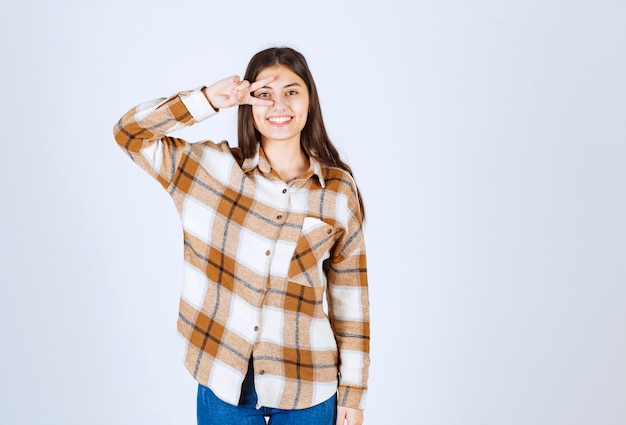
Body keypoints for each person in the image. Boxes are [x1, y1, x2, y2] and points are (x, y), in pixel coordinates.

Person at [113, 47, 370, 425]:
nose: (278, 104)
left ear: (310, 101)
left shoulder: (337, 190)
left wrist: (354, 395)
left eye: (291, 91)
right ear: (248, 103)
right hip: (223, 383)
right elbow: (129, 133)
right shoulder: (208, 169)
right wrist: (210, 100)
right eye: (264, 93)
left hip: (309, 388)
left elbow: (351, 301)